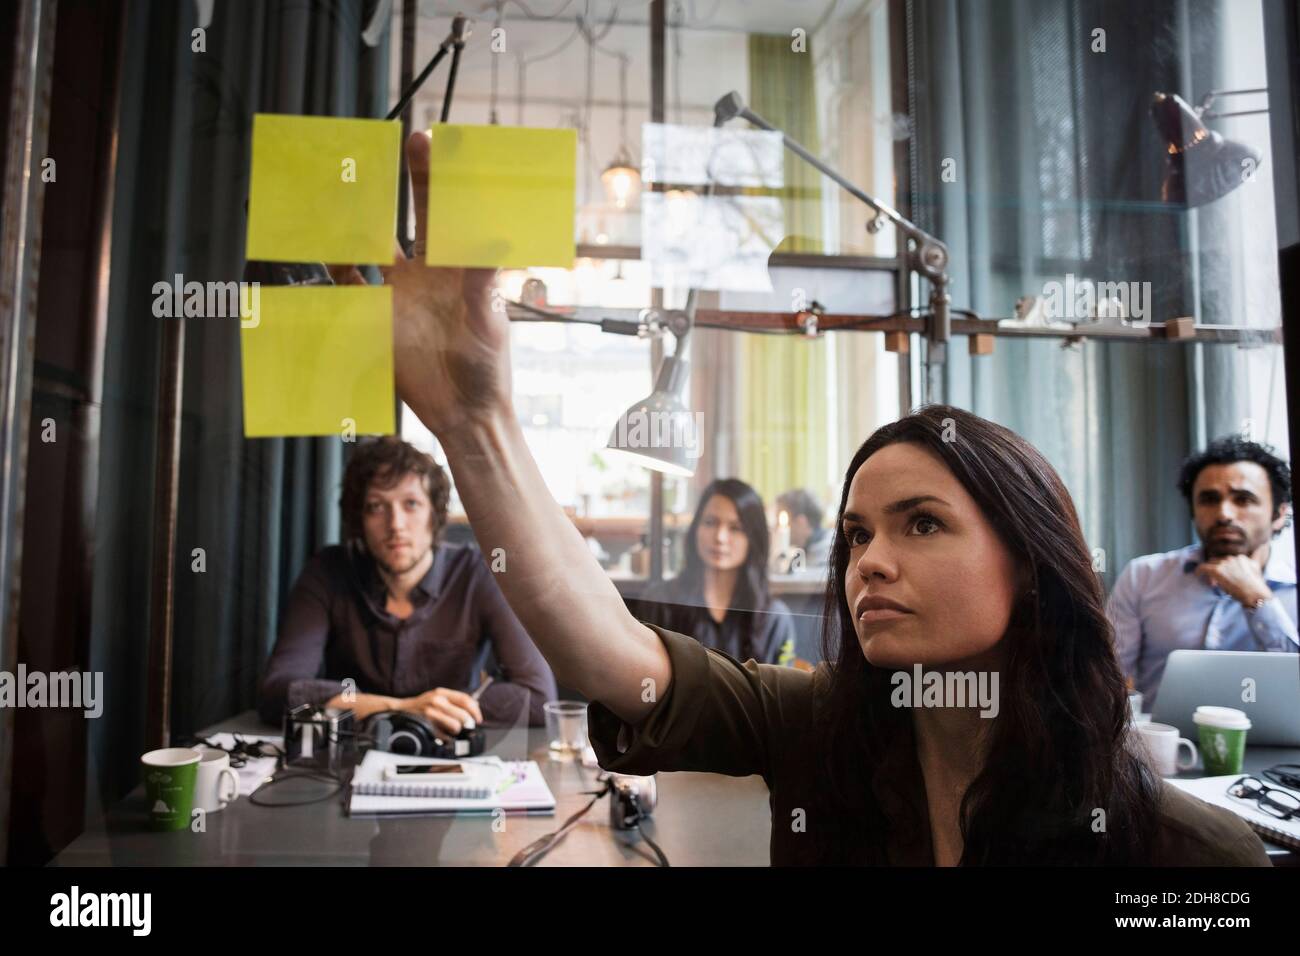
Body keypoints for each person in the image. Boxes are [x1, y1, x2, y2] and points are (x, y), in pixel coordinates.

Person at [370, 130, 1268, 865]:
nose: (869, 561)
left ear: (1033, 565)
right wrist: (475, 419)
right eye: (856, 535)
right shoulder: (815, 726)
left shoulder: (1189, 857)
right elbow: (612, 656)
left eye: (923, 524)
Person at [257, 437, 556, 733]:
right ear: (359, 519)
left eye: (411, 504)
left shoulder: (479, 573)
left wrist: (433, 708)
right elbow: (278, 691)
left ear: (434, 513)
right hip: (351, 760)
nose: (396, 524)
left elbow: (537, 697)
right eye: (376, 507)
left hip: (451, 756)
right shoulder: (328, 572)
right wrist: (404, 708)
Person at [1108, 436, 1296, 707]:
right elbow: (1106, 675)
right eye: (1209, 499)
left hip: (1275, 747)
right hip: (1164, 744)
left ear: (1279, 514)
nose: (1224, 514)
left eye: (1243, 499)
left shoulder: (1293, 591)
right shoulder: (1144, 576)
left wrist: (1258, 600)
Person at [638, 478, 797, 665]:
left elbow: (781, 691)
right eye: (710, 522)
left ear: (753, 538)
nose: (720, 537)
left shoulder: (774, 619)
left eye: (735, 528)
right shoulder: (660, 602)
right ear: (695, 528)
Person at [775, 487, 831, 570]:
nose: (777, 528)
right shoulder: (798, 552)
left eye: (781, 522)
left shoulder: (826, 557)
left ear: (801, 522)